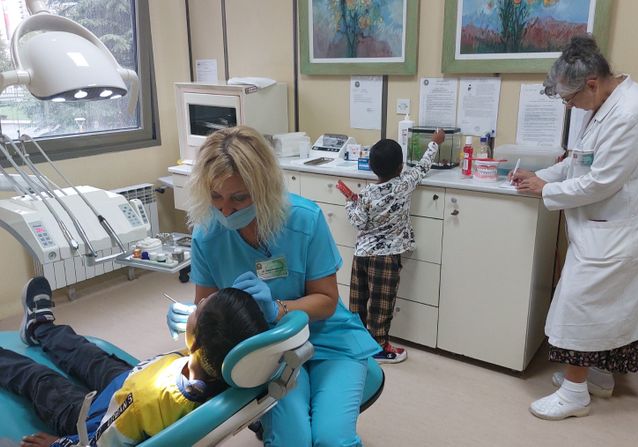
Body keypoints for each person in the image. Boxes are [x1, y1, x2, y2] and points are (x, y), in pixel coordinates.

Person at [166, 125, 381, 446]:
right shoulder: (207, 235)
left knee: (331, 439)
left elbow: (325, 300)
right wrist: (193, 319)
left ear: (264, 187)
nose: (225, 209)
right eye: (216, 196)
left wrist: (278, 309)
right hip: (266, 351)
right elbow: (207, 306)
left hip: (329, 340)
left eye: (239, 197)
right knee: (292, 440)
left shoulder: (304, 219)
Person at [510, 34, 638, 420]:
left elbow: (601, 181)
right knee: (603, 306)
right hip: (607, 225)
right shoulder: (603, 105)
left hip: (623, 230)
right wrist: (541, 176)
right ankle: (596, 377)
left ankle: (574, 394)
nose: (568, 105)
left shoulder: (630, 113)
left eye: (569, 98)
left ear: (592, 83)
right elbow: (580, 160)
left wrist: (547, 189)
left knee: (579, 305)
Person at [4, 276, 268, 447]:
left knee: (40, 379)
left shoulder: (140, 402)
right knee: (87, 354)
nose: (196, 304)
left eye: (198, 309)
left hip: (100, 416)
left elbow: (101, 440)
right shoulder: (230, 370)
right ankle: (39, 327)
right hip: (133, 379)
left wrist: (59, 444)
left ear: (197, 341)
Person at [342, 129, 445, 363]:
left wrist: (350, 202)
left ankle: (357, 343)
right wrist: (434, 143)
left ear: (371, 167)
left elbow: (358, 221)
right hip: (386, 257)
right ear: (400, 167)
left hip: (362, 255)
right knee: (381, 304)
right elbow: (423, 166)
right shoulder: (404, 183)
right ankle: (379, 348)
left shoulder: (366, 194)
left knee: (357, 302)